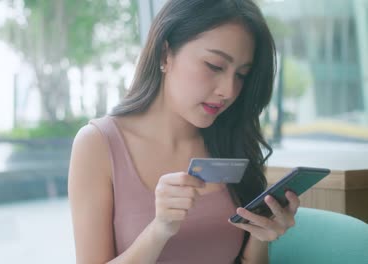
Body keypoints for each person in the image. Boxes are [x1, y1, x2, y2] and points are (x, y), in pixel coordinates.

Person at [68, 0, 300, 263]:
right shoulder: (98, 145)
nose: (229, 90)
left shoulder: (231, 140)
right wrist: (160, 229)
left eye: (241, 75)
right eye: (214, 66)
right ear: (165, 53)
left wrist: (261, 234)